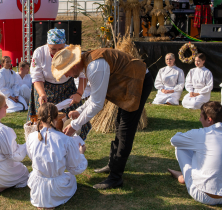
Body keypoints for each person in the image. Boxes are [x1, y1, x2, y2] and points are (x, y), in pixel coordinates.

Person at [51, 45, 153, 189]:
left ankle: (116, 177)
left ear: (73, 65)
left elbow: (97, 104)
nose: (66, 76)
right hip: (129, 82)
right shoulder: (89, 64)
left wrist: (75, 125)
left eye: (65, 71)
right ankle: (113, 165)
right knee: (120, 124)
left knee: (125, 130)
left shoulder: (95, 66)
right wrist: (80, 111)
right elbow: (96, 96)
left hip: (138, 81)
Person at [28, 28, 91, 140]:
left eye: (60, 48)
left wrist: (79, 94)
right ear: (47, 44)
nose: (57, 52)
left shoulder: (71, 53)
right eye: (53, 49)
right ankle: (44, 148)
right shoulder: (39, 53)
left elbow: (82, 74)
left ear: (65, 44)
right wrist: (42, 94)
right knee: (45, 122)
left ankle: (71, 148)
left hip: (67, 88)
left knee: (75, 117)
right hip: (45, 88)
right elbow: (36, 77)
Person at [26, 102, 87, 209]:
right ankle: (51, 200)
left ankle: (43, 200)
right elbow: (75, 168)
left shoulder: (31, 137)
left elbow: (32, 157)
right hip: (57, 186)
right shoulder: (65, 140)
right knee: (71, 178)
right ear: (56, 118)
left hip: (38, 184)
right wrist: (81, 154)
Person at [168, 101, 222, 205]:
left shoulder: (202, 134)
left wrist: (187, 135)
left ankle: (185, 175)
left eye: (201, 116)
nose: (199, 119)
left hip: (204, 195)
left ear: (209, 119)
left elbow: (174, 140)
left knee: (181, 146)